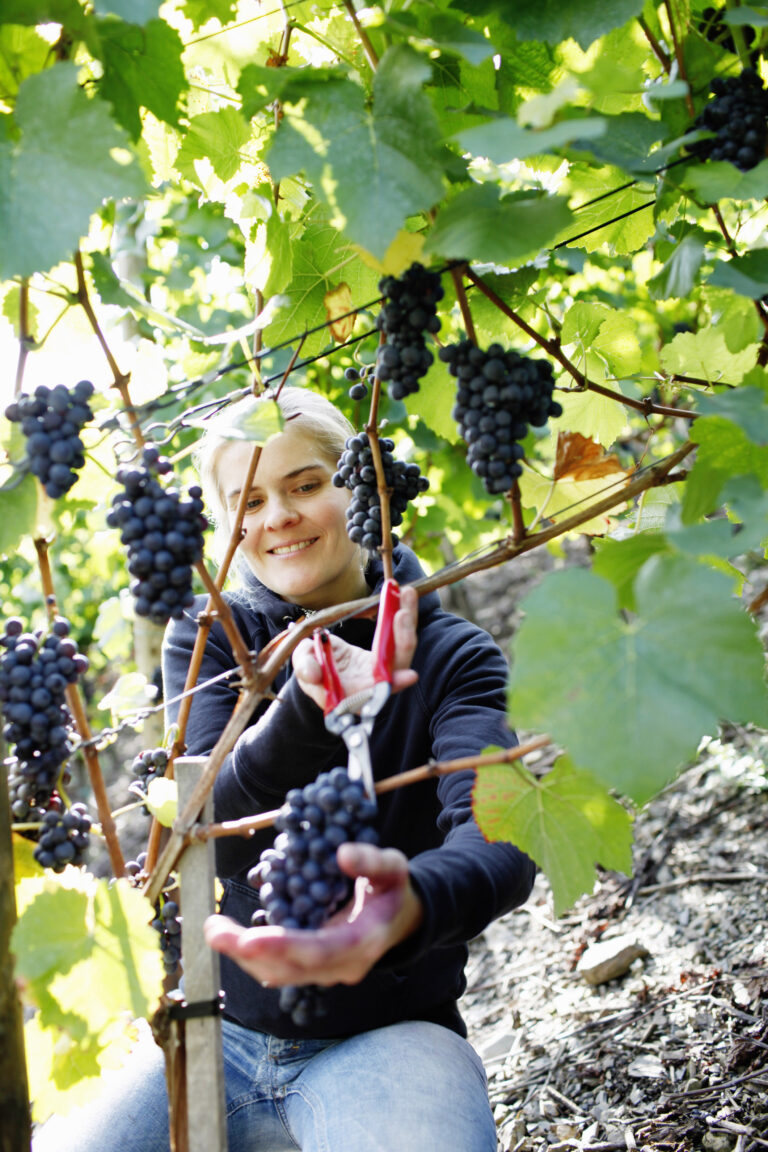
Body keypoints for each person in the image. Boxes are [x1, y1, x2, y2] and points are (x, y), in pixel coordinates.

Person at [34, 385, 535, 1152]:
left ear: (360, 487)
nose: (278, 518)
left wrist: (407, 906)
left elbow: (499, 842)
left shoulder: (451, 653)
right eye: (250, 501)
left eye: (306, 485)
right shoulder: (210, 640)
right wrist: (302, 708)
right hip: (217, 1034)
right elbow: (206, 838)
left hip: (390, 1037)